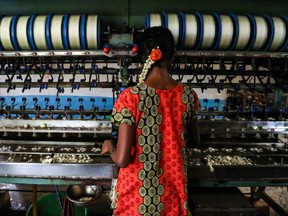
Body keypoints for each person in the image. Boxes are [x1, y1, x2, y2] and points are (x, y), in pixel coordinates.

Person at [101, 26, 201, 216]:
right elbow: (195, 141)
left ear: (142, 58)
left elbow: (122, 160)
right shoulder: (188, 95)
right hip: (173, 196)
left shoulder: (130, 98)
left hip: (135, 200)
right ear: (173, 56)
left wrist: (110, 146)